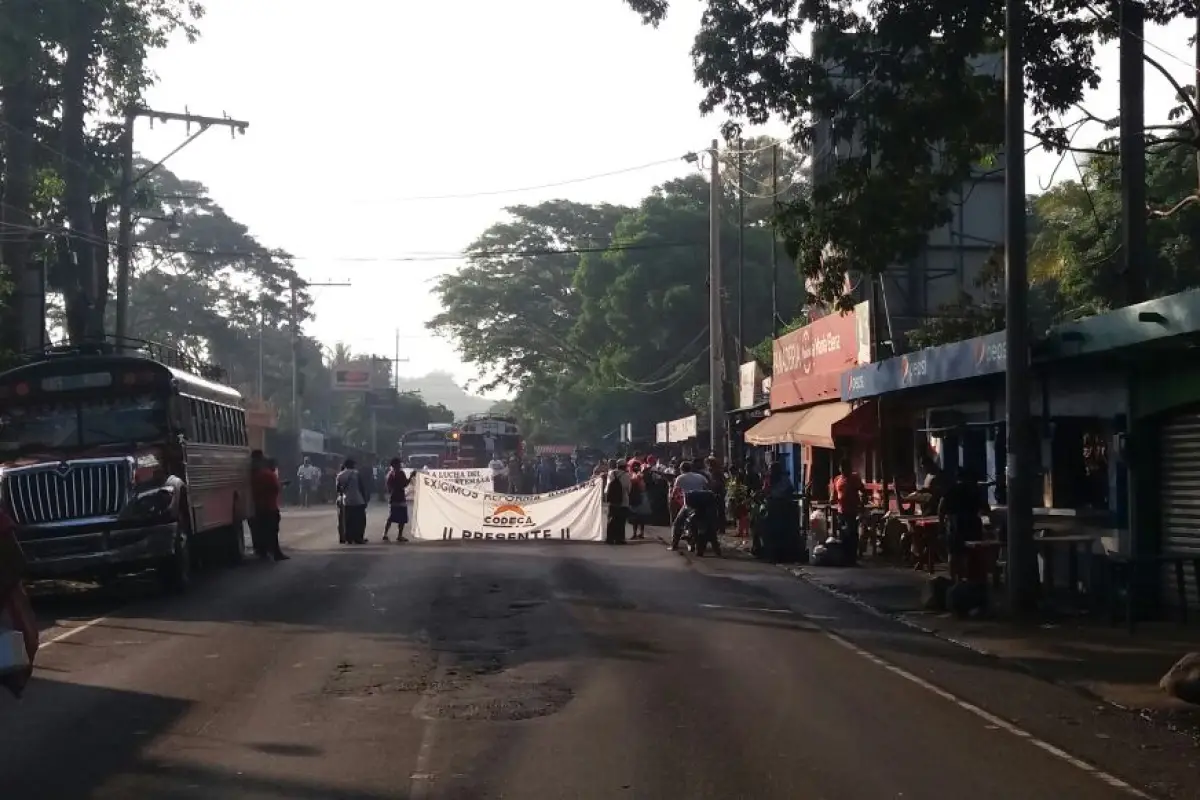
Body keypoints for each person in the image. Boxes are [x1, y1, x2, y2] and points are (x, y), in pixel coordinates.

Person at [938, 468, 988, 582]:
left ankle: (955, 579)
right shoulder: (974, 490)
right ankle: (970, 579)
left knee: (954, 553)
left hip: (954, 524)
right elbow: (985, 508)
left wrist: (941, 525)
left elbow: (941, 508)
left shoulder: (951, 490)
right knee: (970, 553)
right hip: (971, 524)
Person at [251, 451, 287, 561]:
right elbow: (275, 488)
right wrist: (281, 485)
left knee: (261, 531)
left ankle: (263, 552)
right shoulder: (268, 475)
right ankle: (276, 553)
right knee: (272, 531)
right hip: (270, 507)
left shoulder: (254, 474)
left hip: (258, 507)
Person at [669, 461, 712, 550]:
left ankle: (674, 545)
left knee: (677, 523)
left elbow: (674, 493)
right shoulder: (700, 477)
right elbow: (708, 488)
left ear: (681, 470)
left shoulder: (680, 478)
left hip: (688, 504)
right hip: (702, 505)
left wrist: (672, 499)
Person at [831, 459, 867, 563]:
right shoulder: (837, 479)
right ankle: (844, 555)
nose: (844, 471)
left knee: (852, 533)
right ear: (840, 469)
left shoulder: (854, 478)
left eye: (846, 468)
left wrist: (863, 503)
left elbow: (862, 490)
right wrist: (832, 500)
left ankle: (852, 556)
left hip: (852, 510)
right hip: (841, 510)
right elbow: (834, 494)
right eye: (842, 469)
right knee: (842, 532)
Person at [336, 458, 370, 544]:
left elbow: (338, 489)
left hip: (346, 501)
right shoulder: (356, 474)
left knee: (348, 520)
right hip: (358, 500)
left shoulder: (340, 475)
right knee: (360, 520)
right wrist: (365, 499)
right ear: (352, 465)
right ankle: (358, 538)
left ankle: (348, 538)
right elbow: (361, 487)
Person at [604, 459, 632, 544]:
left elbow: (607, 487)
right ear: (624, 466)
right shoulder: (626, 476)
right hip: (623, 501)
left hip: (612, 501)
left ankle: (609, 538)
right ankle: (619, 539)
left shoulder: (611, 473)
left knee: (611, 519)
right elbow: (628, 489)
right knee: (621, 521)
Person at [382, 458, 410, 542]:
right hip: (400, 497)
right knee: (402, 518)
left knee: (391, 517)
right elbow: (404, 484)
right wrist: (411, 476)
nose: (400, 465)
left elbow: (388, 487)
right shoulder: (400, 473)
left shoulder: (389, 474)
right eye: (399, 464)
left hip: (393, 497)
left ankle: (385, 534)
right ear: (396, 465)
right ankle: (399, 535)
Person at [628, 461, 652, 539]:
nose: (636, 468)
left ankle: (638, 533)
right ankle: (638, 533)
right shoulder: (636, 475)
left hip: (638, 496)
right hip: (639, 496)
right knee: (638, 516)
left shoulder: (637, 475)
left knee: (638, 516)